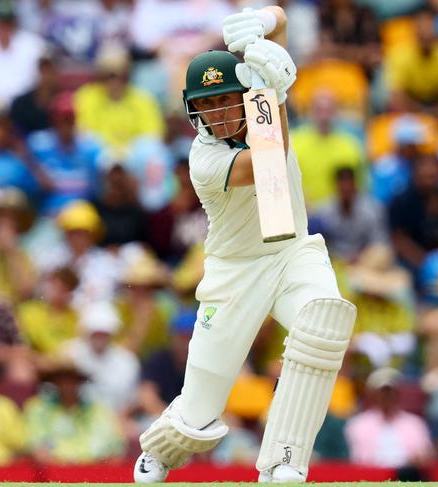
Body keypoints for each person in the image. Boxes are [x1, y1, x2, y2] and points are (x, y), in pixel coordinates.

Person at [133, 6, 356, 484]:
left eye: (224, 99)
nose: (218, 111)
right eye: (206, 104)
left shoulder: (258, 99)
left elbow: (280, 17)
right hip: (235, 272)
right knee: (198, 410)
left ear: (240, 95)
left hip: (294, 252)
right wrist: (274, 92)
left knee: (324, 320)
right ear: (194, 110)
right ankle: (160, 451)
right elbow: (269, 160)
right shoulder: (205, 158)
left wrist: (260, 24)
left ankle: (284, 460)